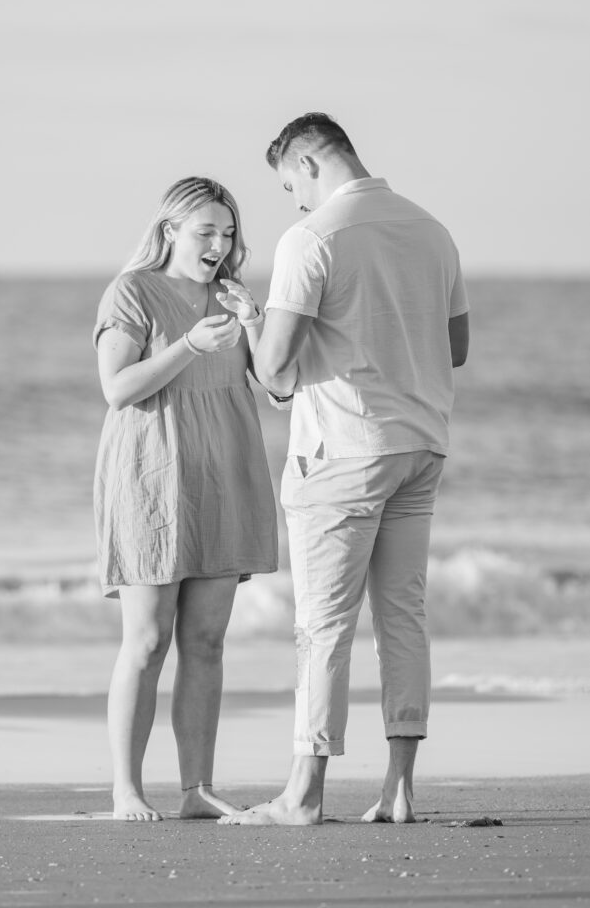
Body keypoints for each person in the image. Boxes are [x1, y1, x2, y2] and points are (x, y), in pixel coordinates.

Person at [220, 113, 469, 826]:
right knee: (402, 618)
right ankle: (398, 788)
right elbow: (453, 345)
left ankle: (303, 792)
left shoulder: (311, 238)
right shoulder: (431, 229)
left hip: (344, 451)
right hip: (420, 445)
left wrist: (250, 318)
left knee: (322, 627)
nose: (292, 200)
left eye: (289, 183)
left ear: (306, 160)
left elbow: (272, 368)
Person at [93, 176, 278, 822]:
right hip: (151, 473)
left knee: (206, 642)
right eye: (206, 232)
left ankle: (196, 788)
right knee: (146, 640)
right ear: (170, 230)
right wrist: (188, 345)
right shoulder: (133, 291)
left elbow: (277, 386)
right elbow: (117, 388)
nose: (219, 244)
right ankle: (127, 790)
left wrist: (254, 321)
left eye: (228, 234)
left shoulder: (230, 297)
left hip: (224, 471)